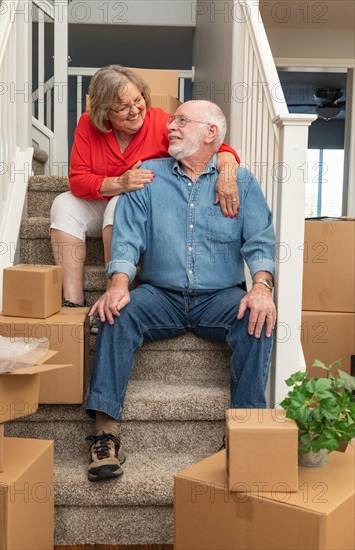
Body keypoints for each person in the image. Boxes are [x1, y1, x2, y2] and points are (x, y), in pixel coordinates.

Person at [84, 100, 276, 482]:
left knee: (258, 318)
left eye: (183, 121)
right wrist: (118, 283)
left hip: (219, 298)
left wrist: (261, 287)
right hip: (161, 295)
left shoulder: (241, 182)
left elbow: (259, 242)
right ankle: (106, 434)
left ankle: (245, 432)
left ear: (210, 134)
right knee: (115, 312)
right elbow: (127, 238)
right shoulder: (148, 177)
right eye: (173, 119)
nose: (171, 125)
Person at [50, 65, 241, 308]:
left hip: (144, 214)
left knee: (119, 206)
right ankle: (73, 300)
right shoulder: (88, 124)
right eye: (122, 107)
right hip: (105, 197)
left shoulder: (161, 122)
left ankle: (114, 298)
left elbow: (218, 148)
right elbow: (78, 179)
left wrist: (227, 172)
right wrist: (120, 182)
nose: (134, 111)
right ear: (104, 112)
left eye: (138, 100)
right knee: (63, 204)